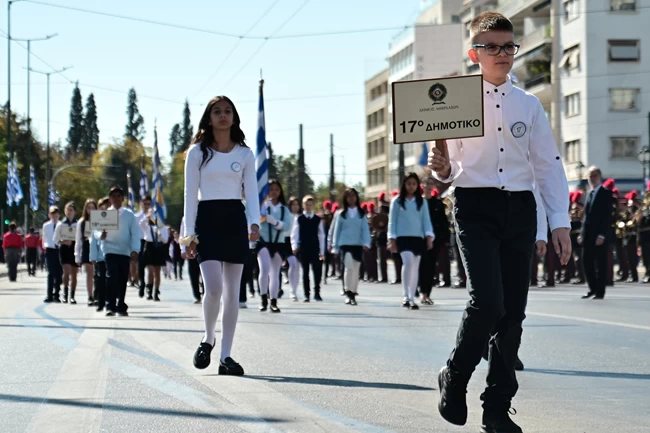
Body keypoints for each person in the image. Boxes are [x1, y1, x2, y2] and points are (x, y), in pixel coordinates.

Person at [428, 12, 571, 433]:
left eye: (509, 46)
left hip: (521, 210)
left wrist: (558, 222)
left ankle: (496, 407)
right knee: (487, 301)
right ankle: (454, 377)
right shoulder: (453, 100)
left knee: (513, 314)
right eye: (492, 47)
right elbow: (448, 168)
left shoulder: (529, 104)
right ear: (475, 53)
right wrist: (437, 168)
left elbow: (547, 166)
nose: (503, 54)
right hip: (474, 205)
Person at [182, 95, 260, 375]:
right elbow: (190, 195)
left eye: (228, 111)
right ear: (209, 117)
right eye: (217, 111)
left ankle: (226, 356)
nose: (223, 116)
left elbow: (251, 192)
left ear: (235, 118)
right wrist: (188, 234)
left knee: (232, 293)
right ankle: (208, 337)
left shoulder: (245, 154)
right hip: (207, 221)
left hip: (234, 221)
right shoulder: (197, 153)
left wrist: (254, 222)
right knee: (213, 288)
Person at [388, 173, 434, 310]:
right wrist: (392, 239)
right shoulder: (397, 201)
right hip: (402, 238)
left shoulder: (422, 202)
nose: (411, 187)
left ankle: (412, 298)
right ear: (404, 185)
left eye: (414, 184)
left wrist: (429, 237)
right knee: (407, 263)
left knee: (414, 267)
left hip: (418, 239)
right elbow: (392, 222)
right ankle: (405, 296)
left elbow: (426, 221)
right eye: (409, 184)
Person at [98, 186, 141, 316]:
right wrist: (101, 234)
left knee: (122, 278)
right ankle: (110, 305)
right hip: (109, 249)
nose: (115, 198)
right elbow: (95, 233)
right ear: (109, 199)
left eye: (118, 196)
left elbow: (135, 233)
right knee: (111, 276)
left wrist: (135, 249)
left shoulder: (129, 215)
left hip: (124, 250)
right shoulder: (104, 214)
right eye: (113, 196)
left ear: (122, 198)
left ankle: (120, 303)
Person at [256, 180, 293, 312]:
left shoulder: (284, 209)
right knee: (264, 269)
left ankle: (274, 301)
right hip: (263, 242)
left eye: (277, 189)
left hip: (278, 243)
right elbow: (255, 220)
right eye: (271, 189)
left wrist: (274, 222)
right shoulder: (263, 206)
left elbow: (288, 226)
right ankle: (263, 298)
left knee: (275, 272)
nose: (274, 192)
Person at [332, 188, 371, 306]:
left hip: (357, 245)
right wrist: (335, 246)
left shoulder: (361, 214)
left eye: (353, 196)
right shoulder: (341, 214)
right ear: (345, 198)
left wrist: (366, 242)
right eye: (349, 196)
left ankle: (353, 292)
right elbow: (337, 231)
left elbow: (365, 229)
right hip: (345, 244)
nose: (351, 198)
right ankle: (348, 292)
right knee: (348, 267)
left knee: (356, 269)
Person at [578, 166, 612, 300]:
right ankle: (592, 288)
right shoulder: (589, 193)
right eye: (590, 176)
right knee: (586, 262)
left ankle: (600, 291)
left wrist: (602, 234)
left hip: (599, 235)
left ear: (600, 177)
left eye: (595, 176)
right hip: (587, 234)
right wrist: (581, 233)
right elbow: (586, 216)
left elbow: (607, 216)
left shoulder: (605, 193)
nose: (592, 178)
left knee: (600, 263)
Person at [419, 177, 449, 304]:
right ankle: (421, 292)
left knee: (431, 266)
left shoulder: (438, 204)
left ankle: (427, 293)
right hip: (420, 238)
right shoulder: (418, 202)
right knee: (421, 266)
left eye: (432, 184)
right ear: (422, 185)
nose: (429, 186)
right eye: (427, 183)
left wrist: (445, 238)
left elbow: (443, 222)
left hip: (435, 239)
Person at [291, 195, 325, 302]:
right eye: (306, 205)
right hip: (303, 248)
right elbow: (294, 234)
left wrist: (322, 250)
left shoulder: (317, 219)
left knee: (317, 271)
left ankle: (317, 292)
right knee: (305, 272)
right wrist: (294, 246)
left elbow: (321, 235)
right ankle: (307, 294)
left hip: (315, 248)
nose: (309, 207)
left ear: (313, 206)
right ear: (303, 205)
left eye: (310, 205)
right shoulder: (299, 219)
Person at [140, 198, 170, 301]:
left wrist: (160, 234)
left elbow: (165, 240)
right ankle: (149, 289)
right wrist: (147, 216)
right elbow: (141, 224)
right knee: (150, 270)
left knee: (157, 271)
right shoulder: (147, 226)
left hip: (158, 247)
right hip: (149, 246)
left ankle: (156, 291)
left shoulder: (162, 228)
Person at [54, 202, 79, 304]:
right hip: (64, 249)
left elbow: (83, 238)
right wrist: (63, 241)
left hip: (75, 248)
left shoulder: (78, 224)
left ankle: (72, 296)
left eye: (71, 210)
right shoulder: (61, 224)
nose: (69, 212)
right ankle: (65, 294)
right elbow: (55, 240)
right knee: (66, 271)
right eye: (67, 210)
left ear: (75, 212)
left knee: (74, 274)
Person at [75, 199, 98, 306]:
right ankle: (90, 296)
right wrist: (77, 256)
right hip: (86, 247)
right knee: (89, 273)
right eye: (89, 208)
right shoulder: (82, 222)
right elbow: (78, 240)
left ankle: (97, 294)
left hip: (98, 247)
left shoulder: (100, 220)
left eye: (93, 208)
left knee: (97, 273)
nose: (91, 210)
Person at [90, 196, 110, 312]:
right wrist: (93, 257)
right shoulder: (97, 220)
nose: (105, 208)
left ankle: (109, 302)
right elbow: (93, 239)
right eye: (103, 206)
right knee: (100, 280)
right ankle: (101, 301)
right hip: (100, 257)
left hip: (113, 254)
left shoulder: (116, 218)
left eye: (107, 206)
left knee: (110, 280)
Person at [42, 206, 63, 302]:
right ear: (49, 215)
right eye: (52, 214)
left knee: (59, 273)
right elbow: (44, 237)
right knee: (50, 273)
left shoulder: (61, 225)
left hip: (59, 250)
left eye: (56, 214)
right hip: (50, 250)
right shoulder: (46, 225)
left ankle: (56, 294)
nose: (54, 216)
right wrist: (44, 247)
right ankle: (49, 295)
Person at [180, 216, 202, 304]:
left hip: (204, 247)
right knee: (193, 273)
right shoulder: (186, 217)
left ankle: (206, 292)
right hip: (191, 248)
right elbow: (183, 234)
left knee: (206, 272)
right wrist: (183, 249)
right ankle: (197, 295)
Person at [286, 197, 302, 301]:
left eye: (297, 204)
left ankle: (293, 290)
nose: (295, 207)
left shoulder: (301, 217)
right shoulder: (287, 215)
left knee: (296, 266)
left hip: (297, 243)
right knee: (292, 263)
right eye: (293, 204)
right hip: (286, 241)